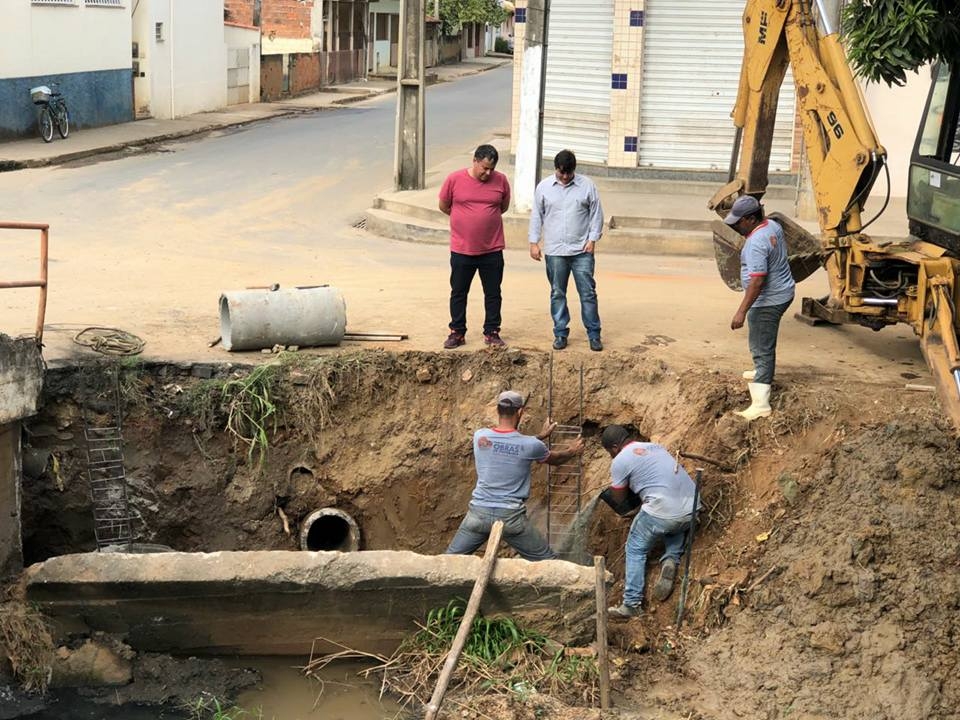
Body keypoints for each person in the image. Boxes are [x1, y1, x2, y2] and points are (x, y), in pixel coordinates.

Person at [445, 390, 585, 560]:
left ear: (497, 410)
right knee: (548, 562)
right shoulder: (531, 445)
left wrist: (540, 436)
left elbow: (506, 443)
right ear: (520, 412)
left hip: (478, 515)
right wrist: (572, 450)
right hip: (510, 518)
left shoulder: (480, 437)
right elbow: (555, 459)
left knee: (448, 561)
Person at [601, 425, 697, 618]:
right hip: (692, 508)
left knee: (635, 547)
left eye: (610, 452)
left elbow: (619, 497)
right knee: (673, 523)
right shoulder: (656, 447)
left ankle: (632, 603)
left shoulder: (620, 459)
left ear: (614, 447)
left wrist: (630, 495)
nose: (611, 456)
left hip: (663, 511)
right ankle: (671, 558)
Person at [724, 195, 796, 420]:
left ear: (751, 219)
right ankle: (761, 370)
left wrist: (741, 311)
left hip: (768, 300)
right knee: (763, 341)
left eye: (738, 222)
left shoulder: (756, 242)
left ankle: (761, 404)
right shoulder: (772, 225)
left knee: (761, 346)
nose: (735, 226)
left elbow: (757, 281)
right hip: (783, 291)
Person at [528, 150, 604, 351]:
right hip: (555, 251)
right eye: (561, 172)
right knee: (557, 293)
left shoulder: (587, 186)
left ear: (574, 170)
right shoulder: (544, 188)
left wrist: (592, 239)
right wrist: (534, 242)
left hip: (582, 250)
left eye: (568, 173)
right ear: (556, 168)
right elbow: (537, 215)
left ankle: (594, 334)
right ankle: (560, 333)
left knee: (588, 293)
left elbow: (596, 214)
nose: (564, 177)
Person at [439, 144, 512, 349]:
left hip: (492, 249)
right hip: (462, 248)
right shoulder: (454, 179)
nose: (488, 173)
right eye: (484, 168)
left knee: (493, 293)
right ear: (475, 161)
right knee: (459, 292)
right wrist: (463, 219)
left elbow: (503, 206)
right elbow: (444, 205)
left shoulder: (501, 180)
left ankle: (492, 331)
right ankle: (457, 332)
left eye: (491, 169)